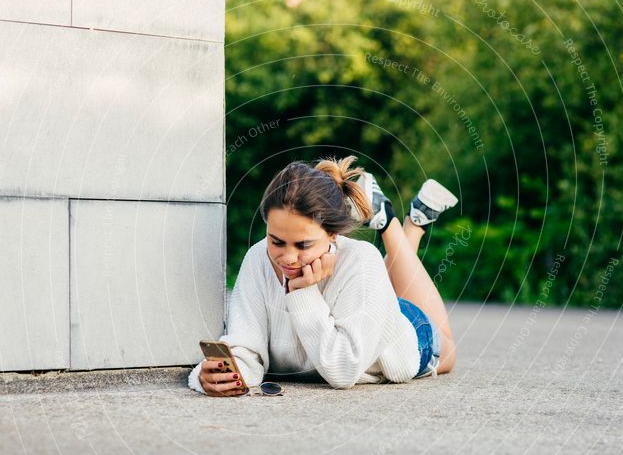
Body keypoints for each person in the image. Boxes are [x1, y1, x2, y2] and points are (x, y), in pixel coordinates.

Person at [188, 156, 458, 397]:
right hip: (361, 305)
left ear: (333, 235)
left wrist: (302, 291)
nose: (288, 258)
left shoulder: (361, 260)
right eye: (276, 241)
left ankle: (398, 223)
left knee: (449, 351)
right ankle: (406, 218)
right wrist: (217, 376)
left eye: (303, 245)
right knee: (379, 285)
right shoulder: (257, 259)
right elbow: (246, 348)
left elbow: (343, 371)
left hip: (403, 332)